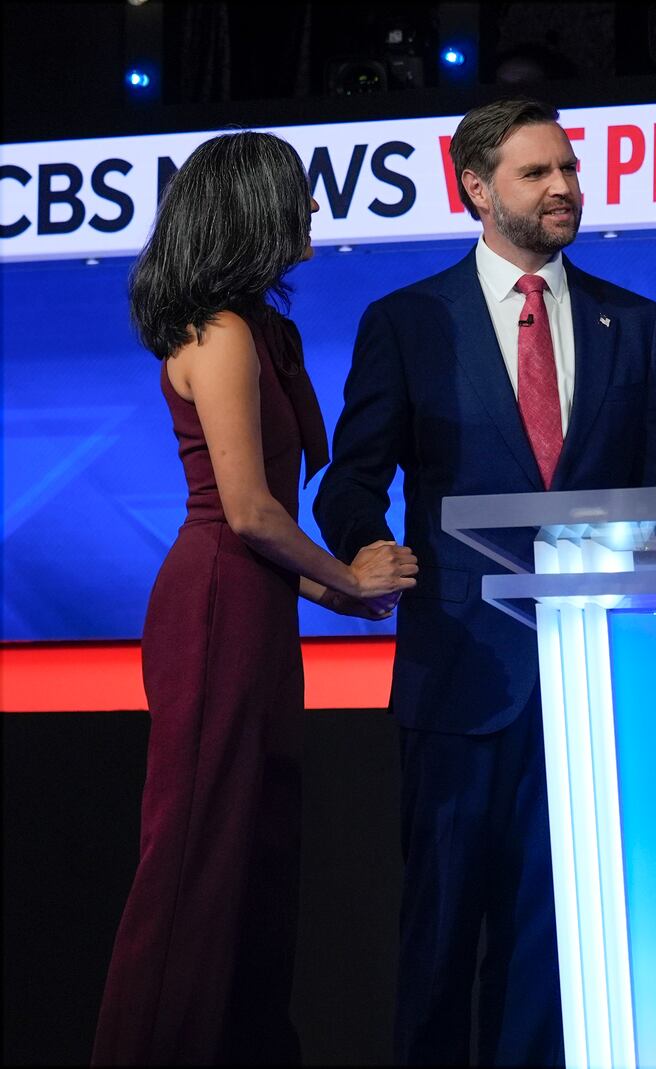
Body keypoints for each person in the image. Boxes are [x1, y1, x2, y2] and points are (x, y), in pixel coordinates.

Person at [313, 98, 656, 1065]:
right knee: (440, 940)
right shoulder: (409, 322)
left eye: (569, 168)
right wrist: (366, 547)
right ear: (477, 190)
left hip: (587, 687)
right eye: (538, 173)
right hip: (459, 682)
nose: (565, 186)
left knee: (549, 953)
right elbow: (350, 480)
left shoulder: (633, 322)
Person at [93, 131, 418, 1066]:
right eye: (298, 196)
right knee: (199, 856)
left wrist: (333, 587)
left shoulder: (258, 327)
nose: (314, 210)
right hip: (216, 603)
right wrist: (345, 577)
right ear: (251, 209)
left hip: (258, 601)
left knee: (258, 853)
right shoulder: (223, 336)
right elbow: (247, 510)